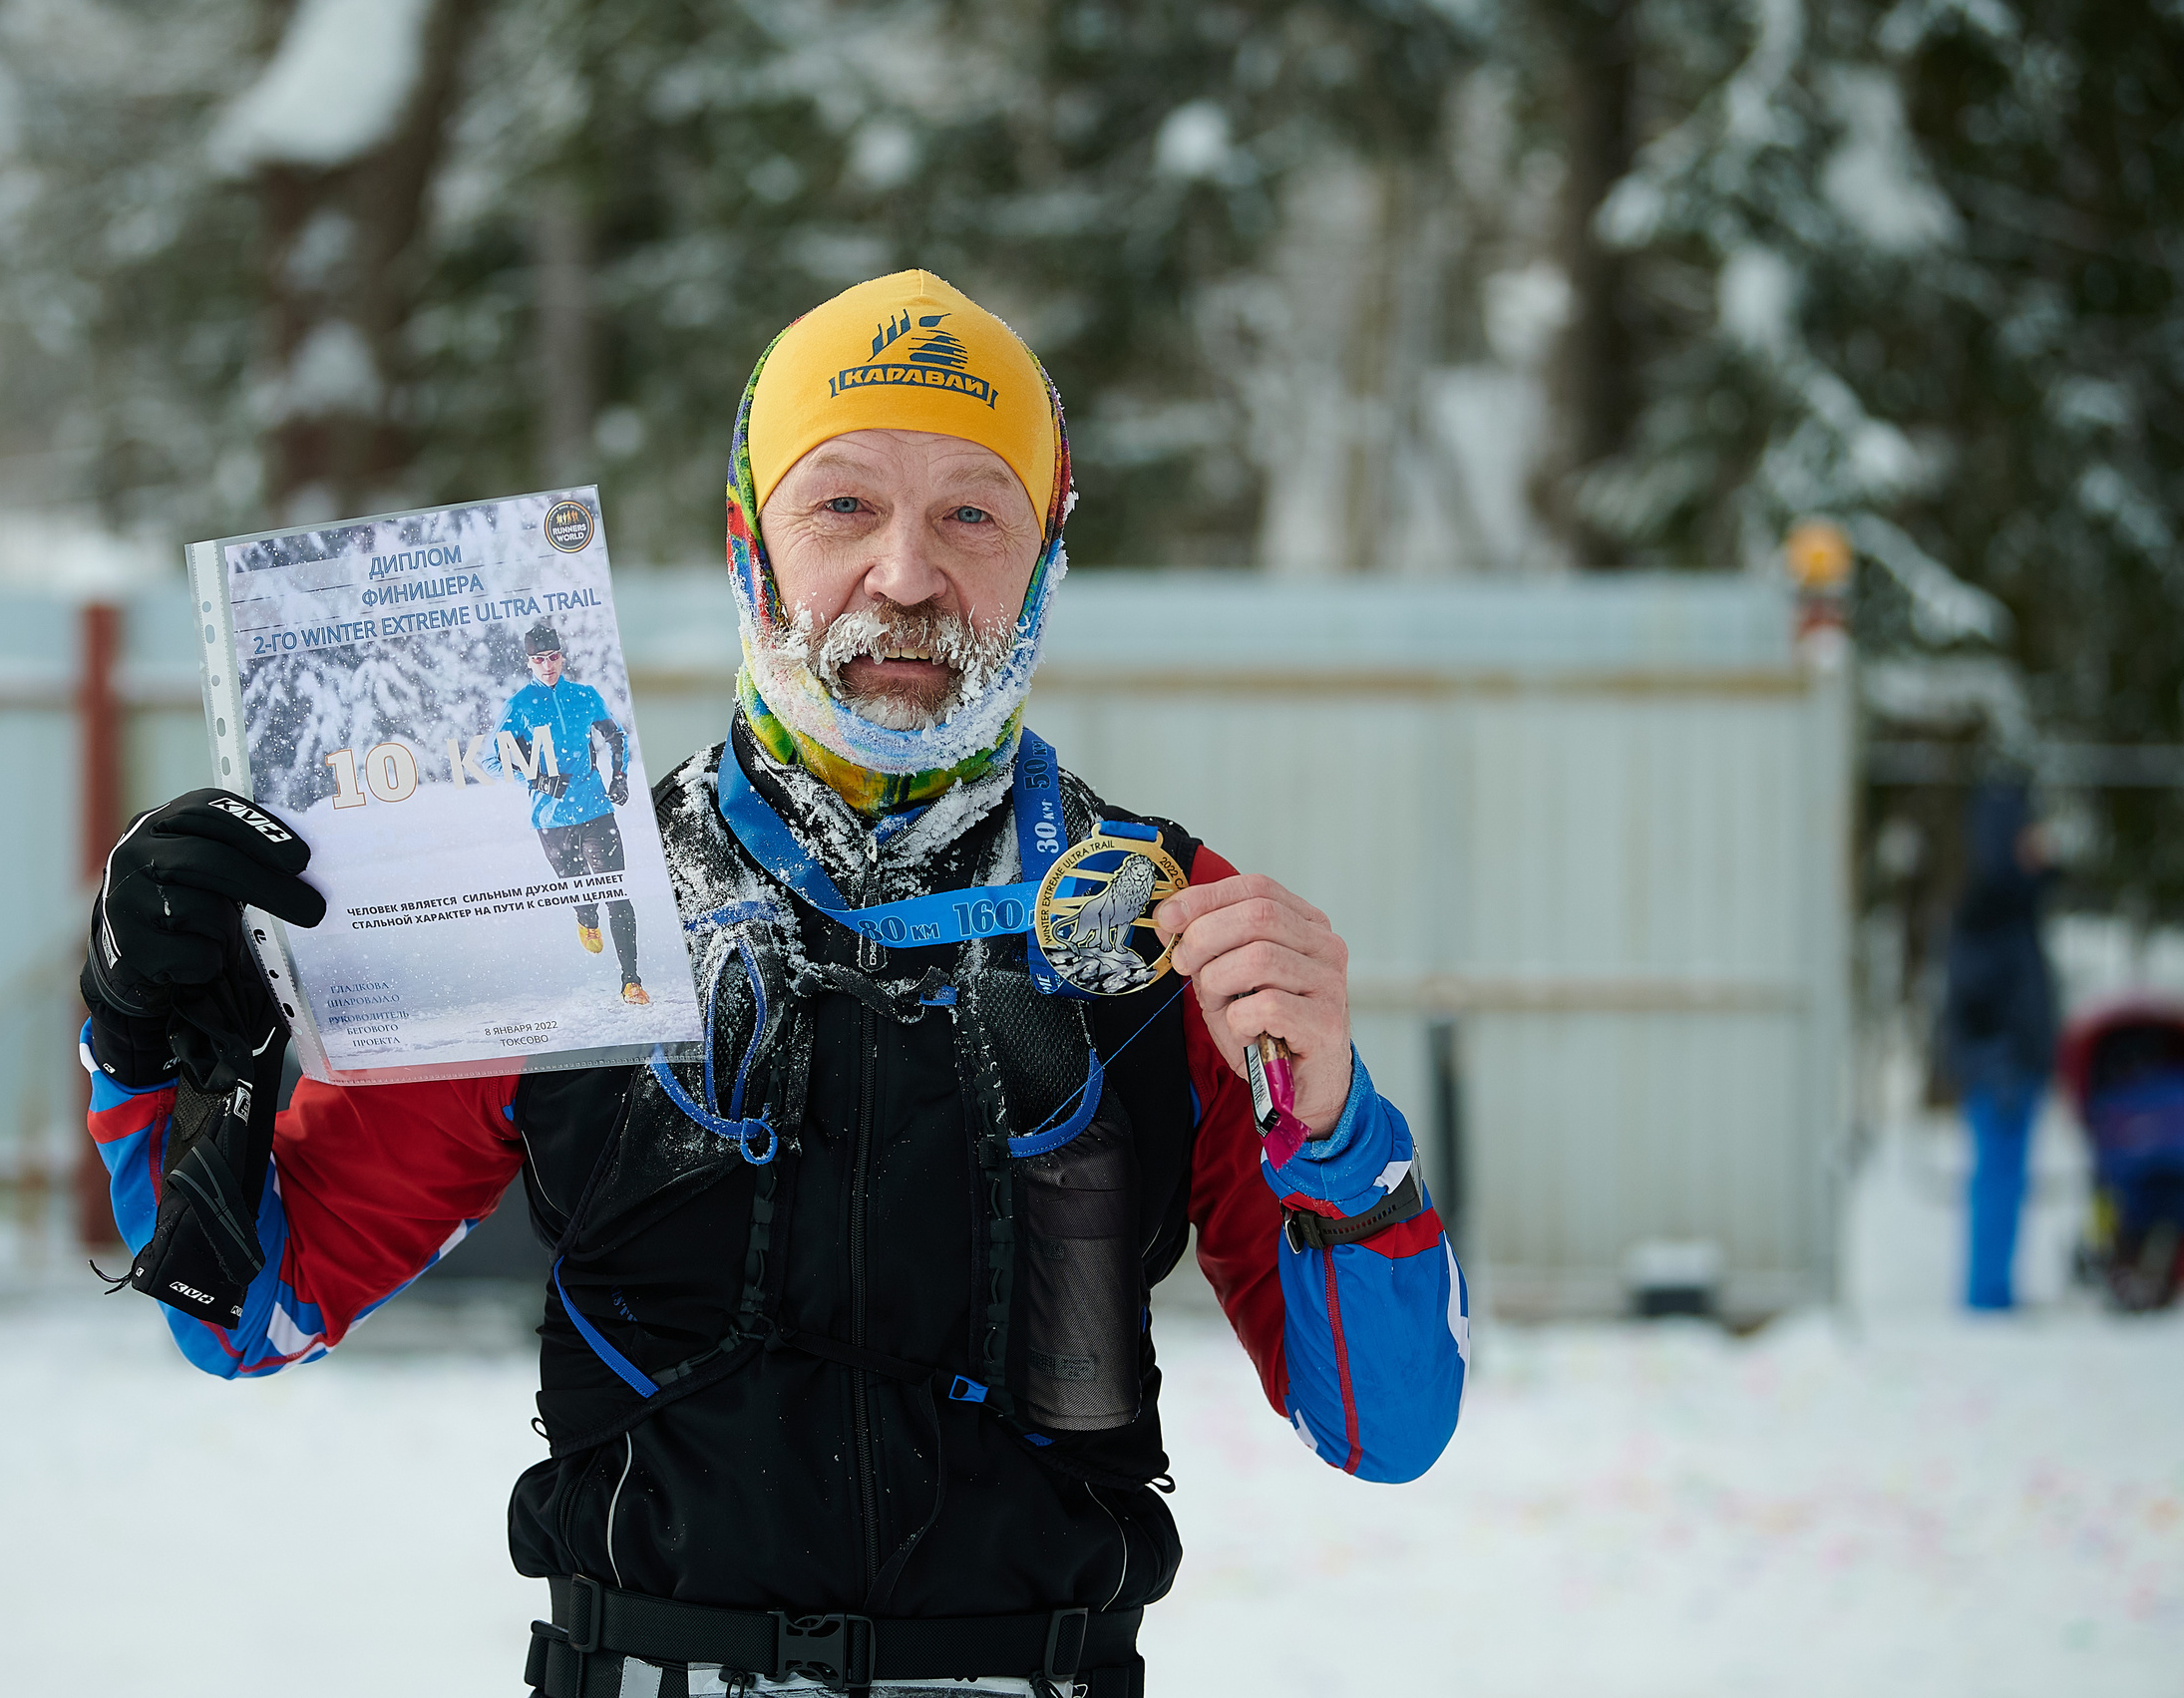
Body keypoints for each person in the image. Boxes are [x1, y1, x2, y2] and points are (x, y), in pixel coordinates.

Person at [77, 271, 1467, 1698]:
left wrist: (1342, 1123)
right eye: (845, 505)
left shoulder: (1164, 919)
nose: (909, 577)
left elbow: (1392, 1424)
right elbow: (240, 1309)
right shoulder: (570, 894)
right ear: (750, 543)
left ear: (1046, 560)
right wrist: (146, 1033)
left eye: (971, 514)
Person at [1940, 781, 2059, 1311]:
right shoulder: (1989, 908)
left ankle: (1996, 1290)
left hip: (2018, 1067)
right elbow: (1973, 999)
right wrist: (1999, 1059)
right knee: (1996, 1182)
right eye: (2026, 836)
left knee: (2008, 1183)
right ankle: (1987, 1296)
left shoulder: (2018, 902)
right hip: (1999, 1072)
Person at [491, 618, 646, 1005]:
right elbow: (493, 761)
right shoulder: (520, 706)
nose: (548, 665)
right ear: (529, 662)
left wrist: (620, 778)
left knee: (617, 894)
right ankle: (585, 918)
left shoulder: (585, 695)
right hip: (552, 820)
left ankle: (631, 981)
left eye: (554, 656)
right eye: (540, 659)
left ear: (562, 657)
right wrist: (539, 778)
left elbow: (617, 737)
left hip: (596, 809)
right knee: (583, 894)